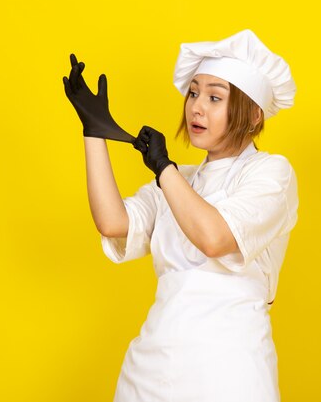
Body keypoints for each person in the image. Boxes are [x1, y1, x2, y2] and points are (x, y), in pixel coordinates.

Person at [63, 29, 299, 402]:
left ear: (253, 115)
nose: (196, 107)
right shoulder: (180, 181)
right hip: (149, 373)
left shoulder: (271, 174)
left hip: (229, 373)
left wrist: (163, 168)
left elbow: (215, 237)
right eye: (193, 93)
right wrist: (94, 131)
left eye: (214, 97)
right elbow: (112, 222)